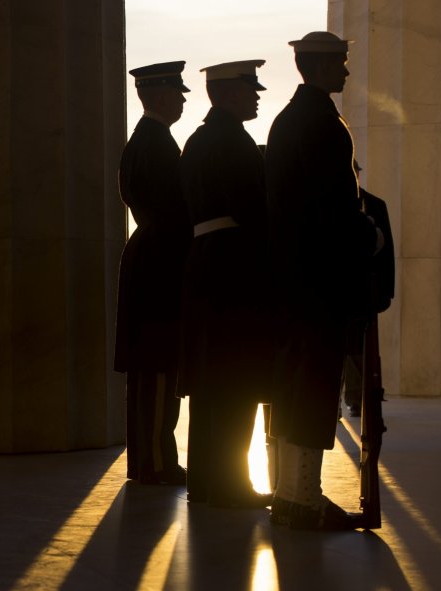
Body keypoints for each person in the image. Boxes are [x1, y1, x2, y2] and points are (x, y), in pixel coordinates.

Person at [264, 32, 384, 530]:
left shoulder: (286, 120)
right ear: (321, 66)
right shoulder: (325, 125)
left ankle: (292, 496)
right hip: (321, 277)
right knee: (315, 386)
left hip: (291, 275)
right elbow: (335, 208)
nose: (348, 72)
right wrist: (372, 235)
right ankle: (305, 498)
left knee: (297, 386)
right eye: (341, 63)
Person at [178, 60, 274, 508]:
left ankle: (206, 479)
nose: (256, 96)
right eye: (249, 90)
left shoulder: (198, 140)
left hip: (205, 263)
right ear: (227, 94)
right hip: (235, 268)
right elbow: (254, 208)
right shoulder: (233, 142)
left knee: (211, 382)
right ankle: (231, 484)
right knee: (236, 379)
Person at [114, 61, 193, 485]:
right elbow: (176, 211)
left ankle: (151, 459)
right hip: (161, 264)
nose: (182, 100)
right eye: (177, 94)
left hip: (150, 258)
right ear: (160, 96)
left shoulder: (145, 141)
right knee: (159, 366)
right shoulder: (158, 144)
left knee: (152, 369)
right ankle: (156, 463)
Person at [341, 160, 395, 417]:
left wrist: (386, 292)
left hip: (362, 290)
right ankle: (343, 400)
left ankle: (355, 397)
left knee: (356, 348)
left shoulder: (375, 205)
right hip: (336, 289)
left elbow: (387, 255)